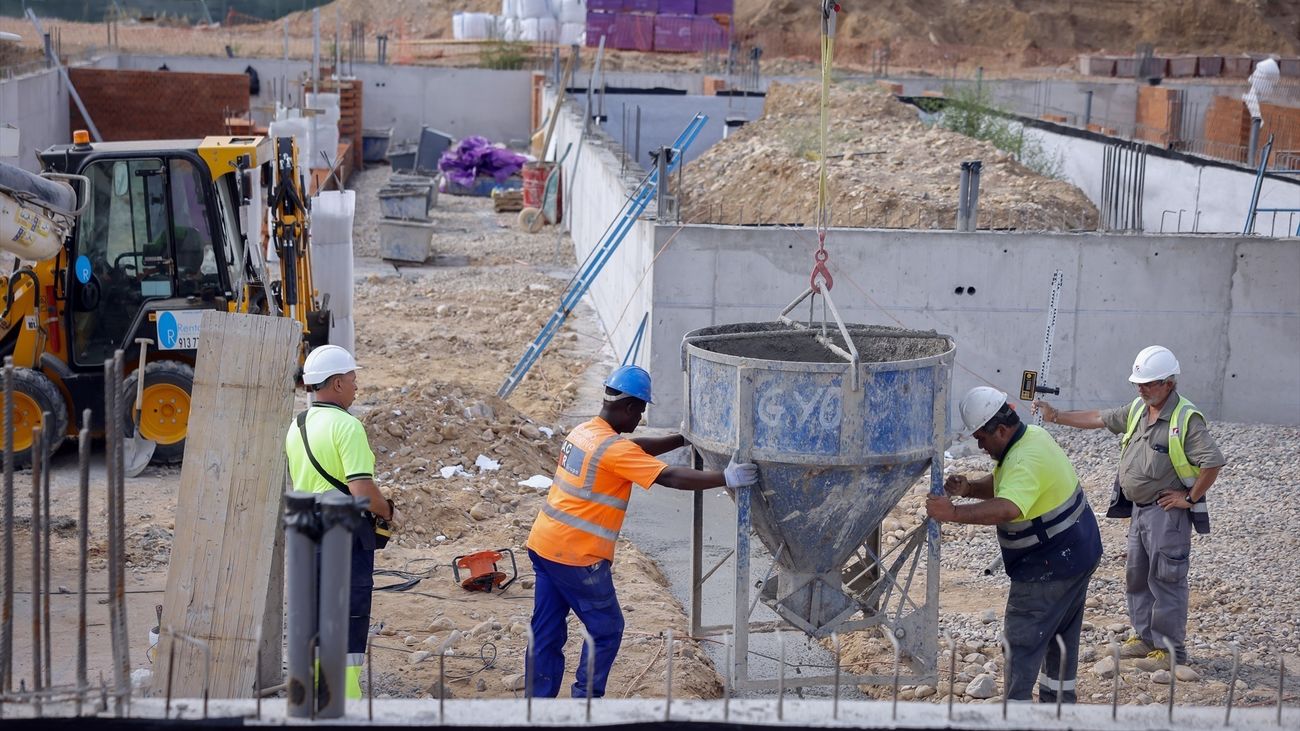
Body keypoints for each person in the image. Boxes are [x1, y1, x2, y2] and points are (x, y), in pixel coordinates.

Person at [525, 365, 759, 698]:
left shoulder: (586, 432)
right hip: (578, 557)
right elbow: (670, 477)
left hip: (544, 545)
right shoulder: (615, 450)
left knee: (545, 632)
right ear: (630, 407)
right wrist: (727, 477)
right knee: (606, 631)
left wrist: (681, 438)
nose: (640, 419)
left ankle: (536, 706)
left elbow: (638, 449)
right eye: (641, 411)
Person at [1034, 345, 1223, 670]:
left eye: (1148, 383)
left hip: (1168, 514)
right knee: (1137, 577)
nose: (1141, 388)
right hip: (1140, 510)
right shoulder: (1138, 408)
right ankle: (1145, 637)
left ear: (1168, 383)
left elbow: (1213, 461)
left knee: (1166, 579)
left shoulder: (1184, 419)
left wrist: (1188, 499)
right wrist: (1056, 416)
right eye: (1139, 383)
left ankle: (1169, 650)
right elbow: (1099, 417)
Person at [927, 386, 1101, 703]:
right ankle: (1059, 711)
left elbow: (1008, 506)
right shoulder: (1031, 436)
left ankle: (1016, 711)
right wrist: (968, 488)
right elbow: (1007, 481)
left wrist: (951, 512)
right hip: (1078, 551)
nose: (979, 445)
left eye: (981, 437)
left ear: (1003, 429)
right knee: (1060, 637)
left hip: (1049, 565)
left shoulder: (1025, 458)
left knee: (1023, 641)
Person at [285, 344, 397, 700]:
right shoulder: (347, 427)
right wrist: (388, 512)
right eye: (351, 379)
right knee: (347, 614)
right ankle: (344, 698)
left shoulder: (298, 426)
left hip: (306, 530)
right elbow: (361, 489)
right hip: (341, 532)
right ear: (335, 384)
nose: (355, 385)